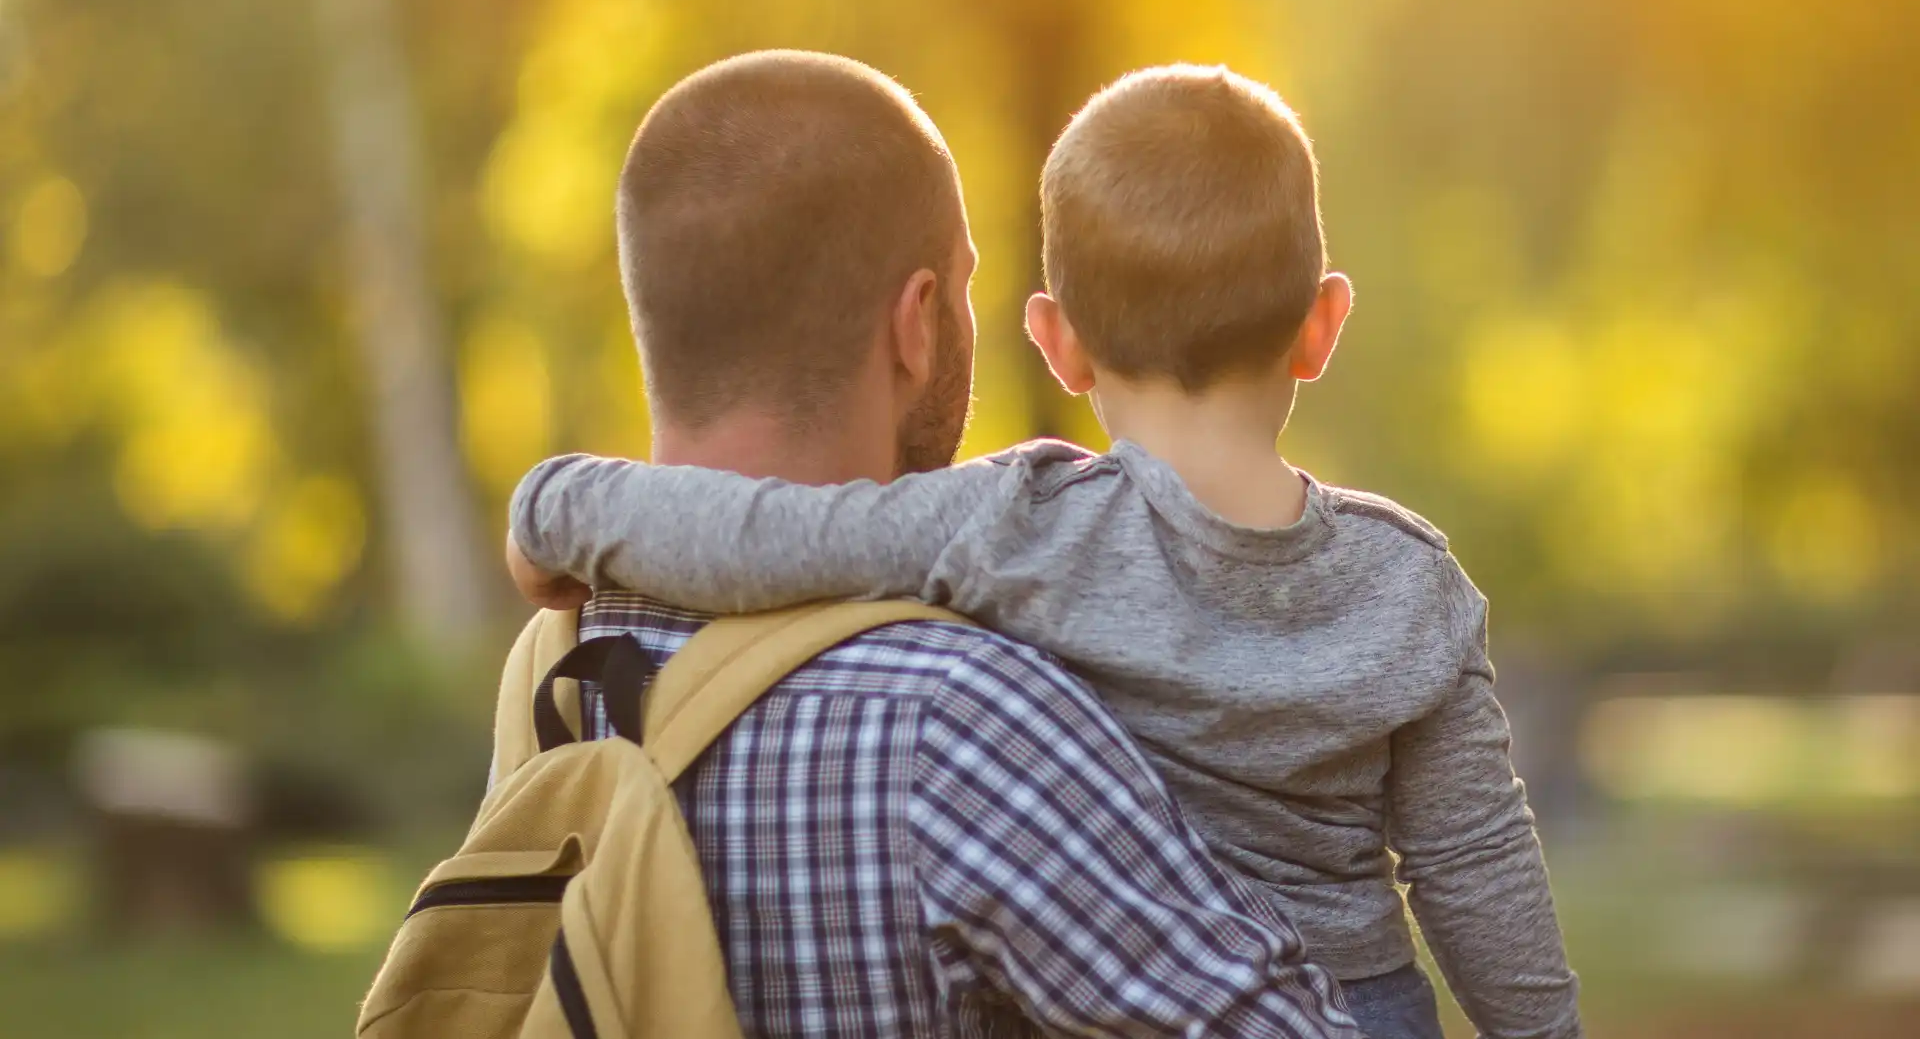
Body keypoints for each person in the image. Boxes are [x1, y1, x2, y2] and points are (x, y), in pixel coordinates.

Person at [509, 65, 1584, 1039]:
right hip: (1370, 1006)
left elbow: (779, 537)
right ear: (1324, 322)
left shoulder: (1016, 525)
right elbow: (1475, 864)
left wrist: (564, 503)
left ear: (1058, 342)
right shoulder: (1411, 583)